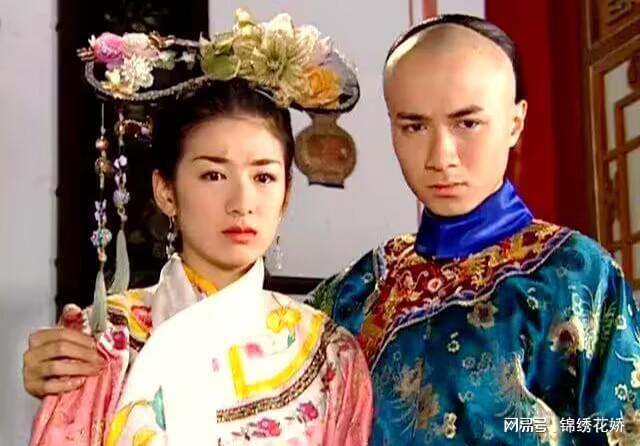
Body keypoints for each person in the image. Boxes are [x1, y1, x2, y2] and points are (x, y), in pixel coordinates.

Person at [26, 9, 371, 446]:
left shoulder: (331, 358)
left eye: (264, 177)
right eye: (213, 175)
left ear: (286, 196)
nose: (242, 202)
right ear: (166, 191)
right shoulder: (105, 342)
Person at [309, 15, 640, 445]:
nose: (440, 156)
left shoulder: (576, 274)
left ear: (515, 123)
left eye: (466, 123)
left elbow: (620, 428)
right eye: (414, 126)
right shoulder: (359, 289)